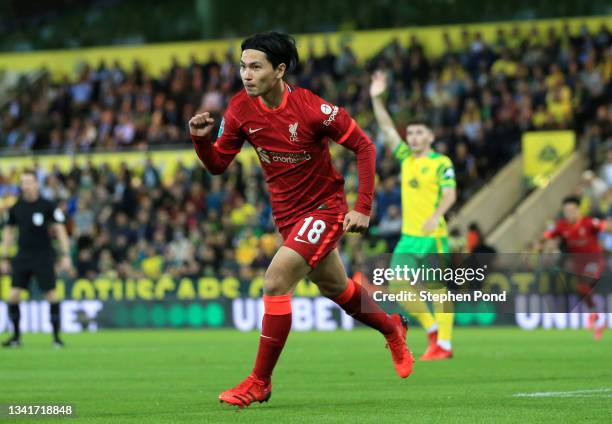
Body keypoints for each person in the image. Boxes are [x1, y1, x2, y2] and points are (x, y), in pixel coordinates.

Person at [189, 32, 414, 408]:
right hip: (288, 216)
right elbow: (217, 166)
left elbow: (364, 145)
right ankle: (392, 328)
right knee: (336, 288)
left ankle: (258, 382)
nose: (246, 74)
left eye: (255, 66)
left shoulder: (311, 108)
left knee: (275, 282)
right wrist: (200, 140)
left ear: (279, 70)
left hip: (325, 209)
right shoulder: (240, 110)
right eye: (243, 65)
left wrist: (363, 206)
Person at [370, 70, 457, 361]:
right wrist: (376, 100)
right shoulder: (406, 159)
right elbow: (386, 129)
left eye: (420, 132)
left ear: (431, 137)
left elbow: (450, 194)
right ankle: (432, 329)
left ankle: (444, 344)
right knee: (397, 284)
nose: (414, 136)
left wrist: (436, 216)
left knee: (437, 289)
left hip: (433, 235)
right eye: (411, 133)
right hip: (409, 237)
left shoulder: (441, 163)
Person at [1, 170, 73, 348]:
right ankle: (16, 337)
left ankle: (56, 338)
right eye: (23, 182)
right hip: (23, 256)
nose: (26, 185)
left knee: (52, 294)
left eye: (29, 182)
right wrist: (4, 256)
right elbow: (9, 233)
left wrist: (65, 255)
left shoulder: (47, 205)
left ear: (36, 184)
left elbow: (61, 230)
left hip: (44, 256)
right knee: (13, 295)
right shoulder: (16, 207)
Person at [544, 195, 608, 340]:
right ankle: (598, 319)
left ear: (578, 210)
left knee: (585, 284)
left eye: (572, 210)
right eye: (567, 210)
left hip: (594, 260)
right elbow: (549, 237)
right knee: (582, 290)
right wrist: (548, 247)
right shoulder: (561, 226)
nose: (569, 213)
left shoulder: (588, 222)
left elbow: (605, 226)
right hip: (578, 264)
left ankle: (594, 317)